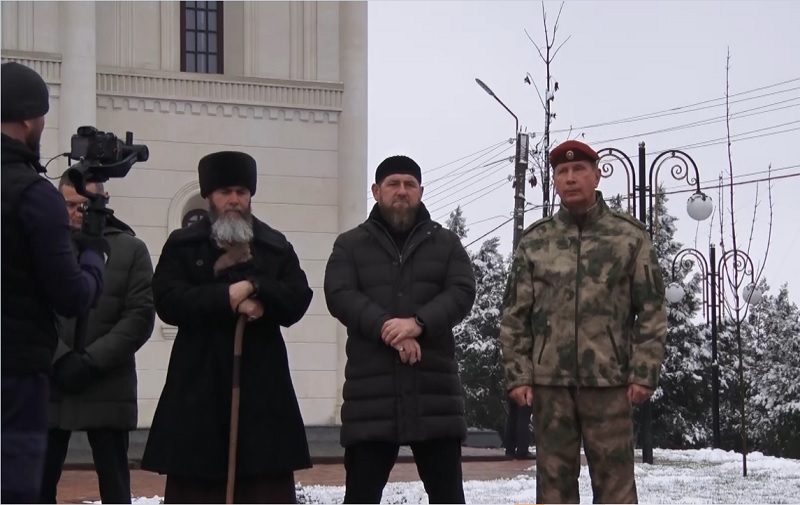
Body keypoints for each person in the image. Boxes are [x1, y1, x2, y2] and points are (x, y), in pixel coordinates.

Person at [498, 139, 668, 504]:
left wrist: (644, 372)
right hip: (549, 385)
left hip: (609, 382)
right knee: (553, 488)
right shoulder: (535, 240)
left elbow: (652, 308)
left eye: (579, 170)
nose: (571, 178)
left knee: (616, 487)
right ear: (555, 181)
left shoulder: (629, 236)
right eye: (562, 172)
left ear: (597, 175)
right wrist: (519, 374)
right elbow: (514, 315)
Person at [140, 151, 314, 504]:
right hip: (199, 388)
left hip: (262, 392)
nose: (234, 200)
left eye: (241, 192)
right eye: (225, 192)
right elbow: (168, 300)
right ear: (209, 196)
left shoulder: (274, 246)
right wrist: (227, 298)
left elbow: (298, 297)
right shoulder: (183, 245)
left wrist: (256, 287)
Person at [324, 155, 476, 504]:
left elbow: (462, 291)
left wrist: (418, 324)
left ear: (421, 191)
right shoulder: (350, 244)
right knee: (360, 497)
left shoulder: (446, 244)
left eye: (410, 184)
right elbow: (339, 294)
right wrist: (386, 328)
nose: (402, 191)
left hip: (433, 394)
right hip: (370, 397)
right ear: (376, 191)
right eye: (393, 184)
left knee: (448, 497)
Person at [1, 62, 107, 503]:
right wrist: (93, 254)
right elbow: (72, 295)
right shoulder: (32, 194)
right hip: (15, 377)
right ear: (29, 119)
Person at [39, 172, 156, 504]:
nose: (77, 212)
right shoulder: (39, 247)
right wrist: (60, 357)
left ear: (103, 203)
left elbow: (139, 316)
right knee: (38, 485)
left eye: (85, 205)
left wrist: (91, 361)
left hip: (108, 384)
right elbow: (26, 310)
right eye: (69, 204)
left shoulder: (131, 250)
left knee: (115, 487)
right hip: (52, 384)